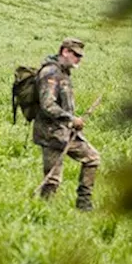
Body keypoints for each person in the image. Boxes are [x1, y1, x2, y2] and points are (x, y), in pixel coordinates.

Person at [33, 37, 99, 211]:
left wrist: (71, 121)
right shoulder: (51, 73)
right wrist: (70, 119)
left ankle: (84, 204)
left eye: (80, 55)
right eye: (76, 54)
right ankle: (42, 212)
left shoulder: (63, 73)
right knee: (53, 179)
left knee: (92, 158)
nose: (79, 59)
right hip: (51, 133)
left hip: (65, 131)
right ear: (64, 51)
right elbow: (47, 105)